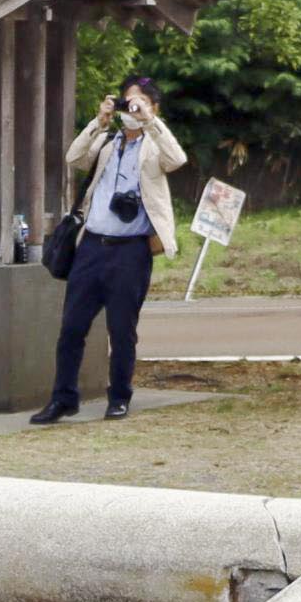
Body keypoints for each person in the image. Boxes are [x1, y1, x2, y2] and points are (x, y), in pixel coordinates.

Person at [32, 71, 186, 424]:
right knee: (71, 327)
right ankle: (63, 398)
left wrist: (150, 122)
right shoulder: (108, 142)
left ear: (154, 107)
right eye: (127, 102)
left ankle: (119, 397)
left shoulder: (154, 146)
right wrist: (98, 122)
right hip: (91, 247)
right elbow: (74, 158)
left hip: (131, 250)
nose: (131, 109)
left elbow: (177, 160)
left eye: (140, 103)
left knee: (121, 330)